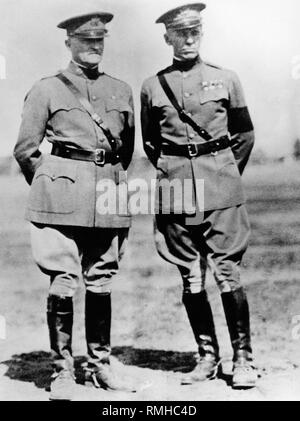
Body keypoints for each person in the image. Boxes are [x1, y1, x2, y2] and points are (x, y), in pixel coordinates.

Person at [14, 12, 135, 400]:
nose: (94, 47)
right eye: (85, 41)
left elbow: (126, 150)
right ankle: (62, 370)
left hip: (108, 196)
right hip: (60, 198)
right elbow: (26, 149)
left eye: (100, 41)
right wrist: (52, 183)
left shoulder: (120, 89)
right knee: (63, 281)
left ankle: (100, 365)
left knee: (101, 281)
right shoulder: (47, 89)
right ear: (69, 43)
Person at [140, 2, 257, 388]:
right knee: (191, 276)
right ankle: (206, 356)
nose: (189, 39)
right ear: (167, 37)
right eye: (180, 32)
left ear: (200, 34)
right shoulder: (153, 86)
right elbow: (152, 144)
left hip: (221, 189)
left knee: (227, 274)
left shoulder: (226, 78)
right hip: (176, 193)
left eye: (195, 32)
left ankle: (243, 359)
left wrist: (222, 173)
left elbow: (243, 134)